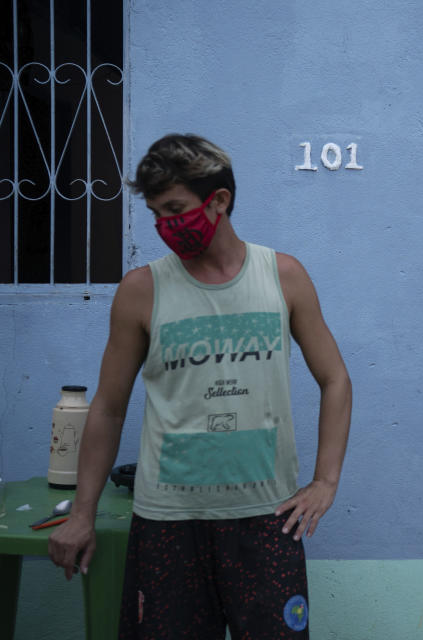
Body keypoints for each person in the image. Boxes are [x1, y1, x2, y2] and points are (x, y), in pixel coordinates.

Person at [47, 134, 352, 638]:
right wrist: (82, 512)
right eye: (156, 214)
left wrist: (325, 482)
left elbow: (335, 378)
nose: (166, 225)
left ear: (220, 201)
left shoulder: (283, 277)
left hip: (266, 516)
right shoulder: (141, 290)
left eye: (175, 208)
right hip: (167, 521)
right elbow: (107, 408)